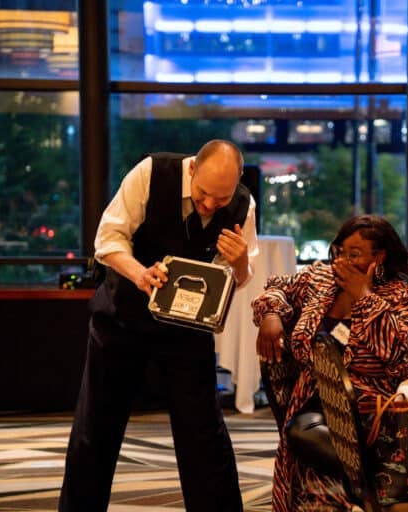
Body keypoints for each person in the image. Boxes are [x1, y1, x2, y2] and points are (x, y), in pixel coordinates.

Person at [59, 139, 259, 512]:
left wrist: (242, 262)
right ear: (192, 169)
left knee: (204, 435)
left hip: (186, 328)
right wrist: (140, 274)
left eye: (221, 198)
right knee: (96, 431)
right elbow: (108, 237)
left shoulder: (242, 203)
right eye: (204, 195)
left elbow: (237, 277)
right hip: (122, 319)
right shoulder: (151, 173)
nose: (210, 206)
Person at [252, 214, 408, 511]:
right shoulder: (319, 280)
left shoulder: (406, 300)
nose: (342, 261)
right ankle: (363, 483)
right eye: (340, 252)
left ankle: (354, 487)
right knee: (301, 432)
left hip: (375, 407)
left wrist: (363, 295)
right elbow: (277, 287)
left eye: (354, 254)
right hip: (316, 400)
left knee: (320, 473)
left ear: (380, 256)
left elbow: (401, 350)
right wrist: (271, 314)